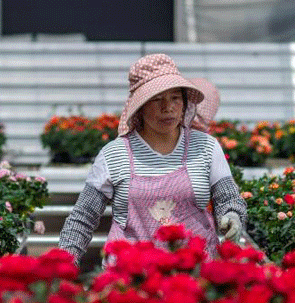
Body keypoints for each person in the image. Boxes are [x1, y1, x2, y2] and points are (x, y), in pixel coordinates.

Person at [58, 53, 246, 265]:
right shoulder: (114, 154)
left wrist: (232, 215)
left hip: (194, 274)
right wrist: (62, 265)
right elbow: (83, 218)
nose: (168, 107)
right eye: (157, 99)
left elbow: (228, 198)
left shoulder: (205, 147)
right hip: (131, 276)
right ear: (140, 107)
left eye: (175, 97)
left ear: (184, 103)